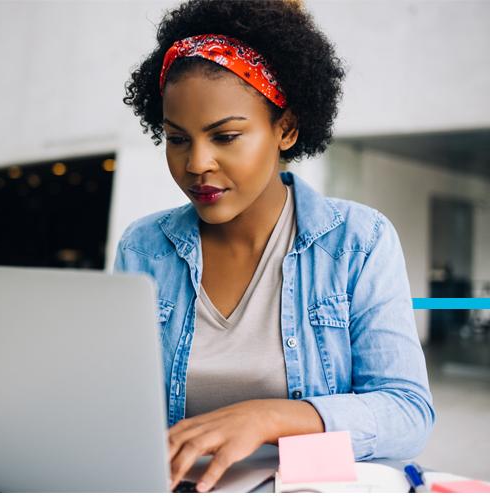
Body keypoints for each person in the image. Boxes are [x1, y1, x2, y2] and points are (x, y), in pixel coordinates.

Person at [114, 0, 434, 492]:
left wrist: (270, 417)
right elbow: (117, 405)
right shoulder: (144, 248)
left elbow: (408, 413)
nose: (197, 163)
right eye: (177, 139)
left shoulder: (358, 241)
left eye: (226, 136)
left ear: (284, 129)